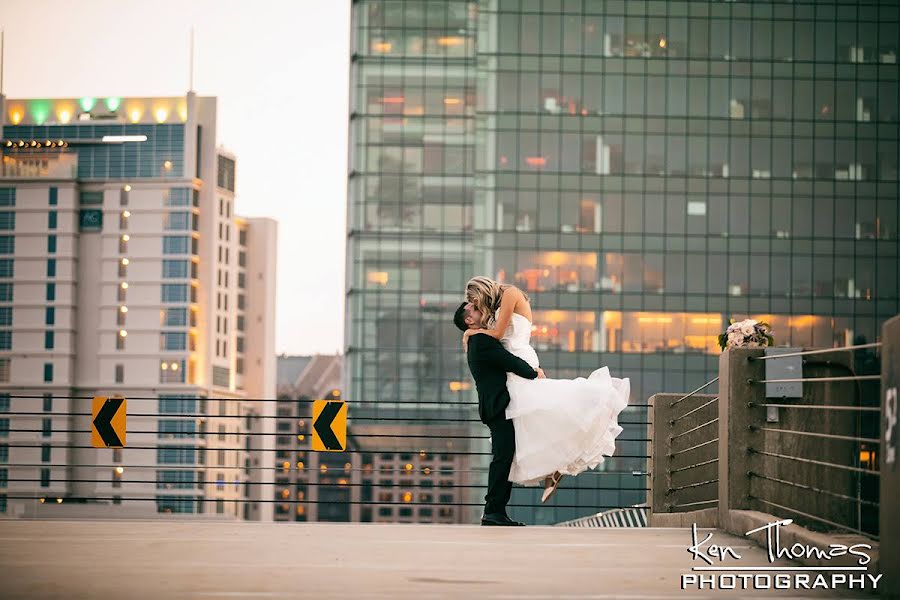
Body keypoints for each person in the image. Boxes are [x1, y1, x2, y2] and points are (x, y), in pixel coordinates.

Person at [462, 275, 630, 502]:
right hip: (510, 363)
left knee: (545, 411)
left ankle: (555, 468)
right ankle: (552, 471)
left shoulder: (510, 293)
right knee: (531, 422)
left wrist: (471, 332)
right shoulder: (496, 307)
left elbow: (499, 335)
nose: (475, 305)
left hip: (519, 357)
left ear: (482, 290)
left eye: (475, 299)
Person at [454, 301, 546, 526]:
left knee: (504, 457)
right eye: (475, 308)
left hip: (495, 405)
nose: (479, 307)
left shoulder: (478, 339)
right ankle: (493, 511)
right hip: (498, 406)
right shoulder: (481, 340)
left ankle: (496, 511)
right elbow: (510, 362)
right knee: (502, 458)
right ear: (469, 320)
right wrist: (534, 372)